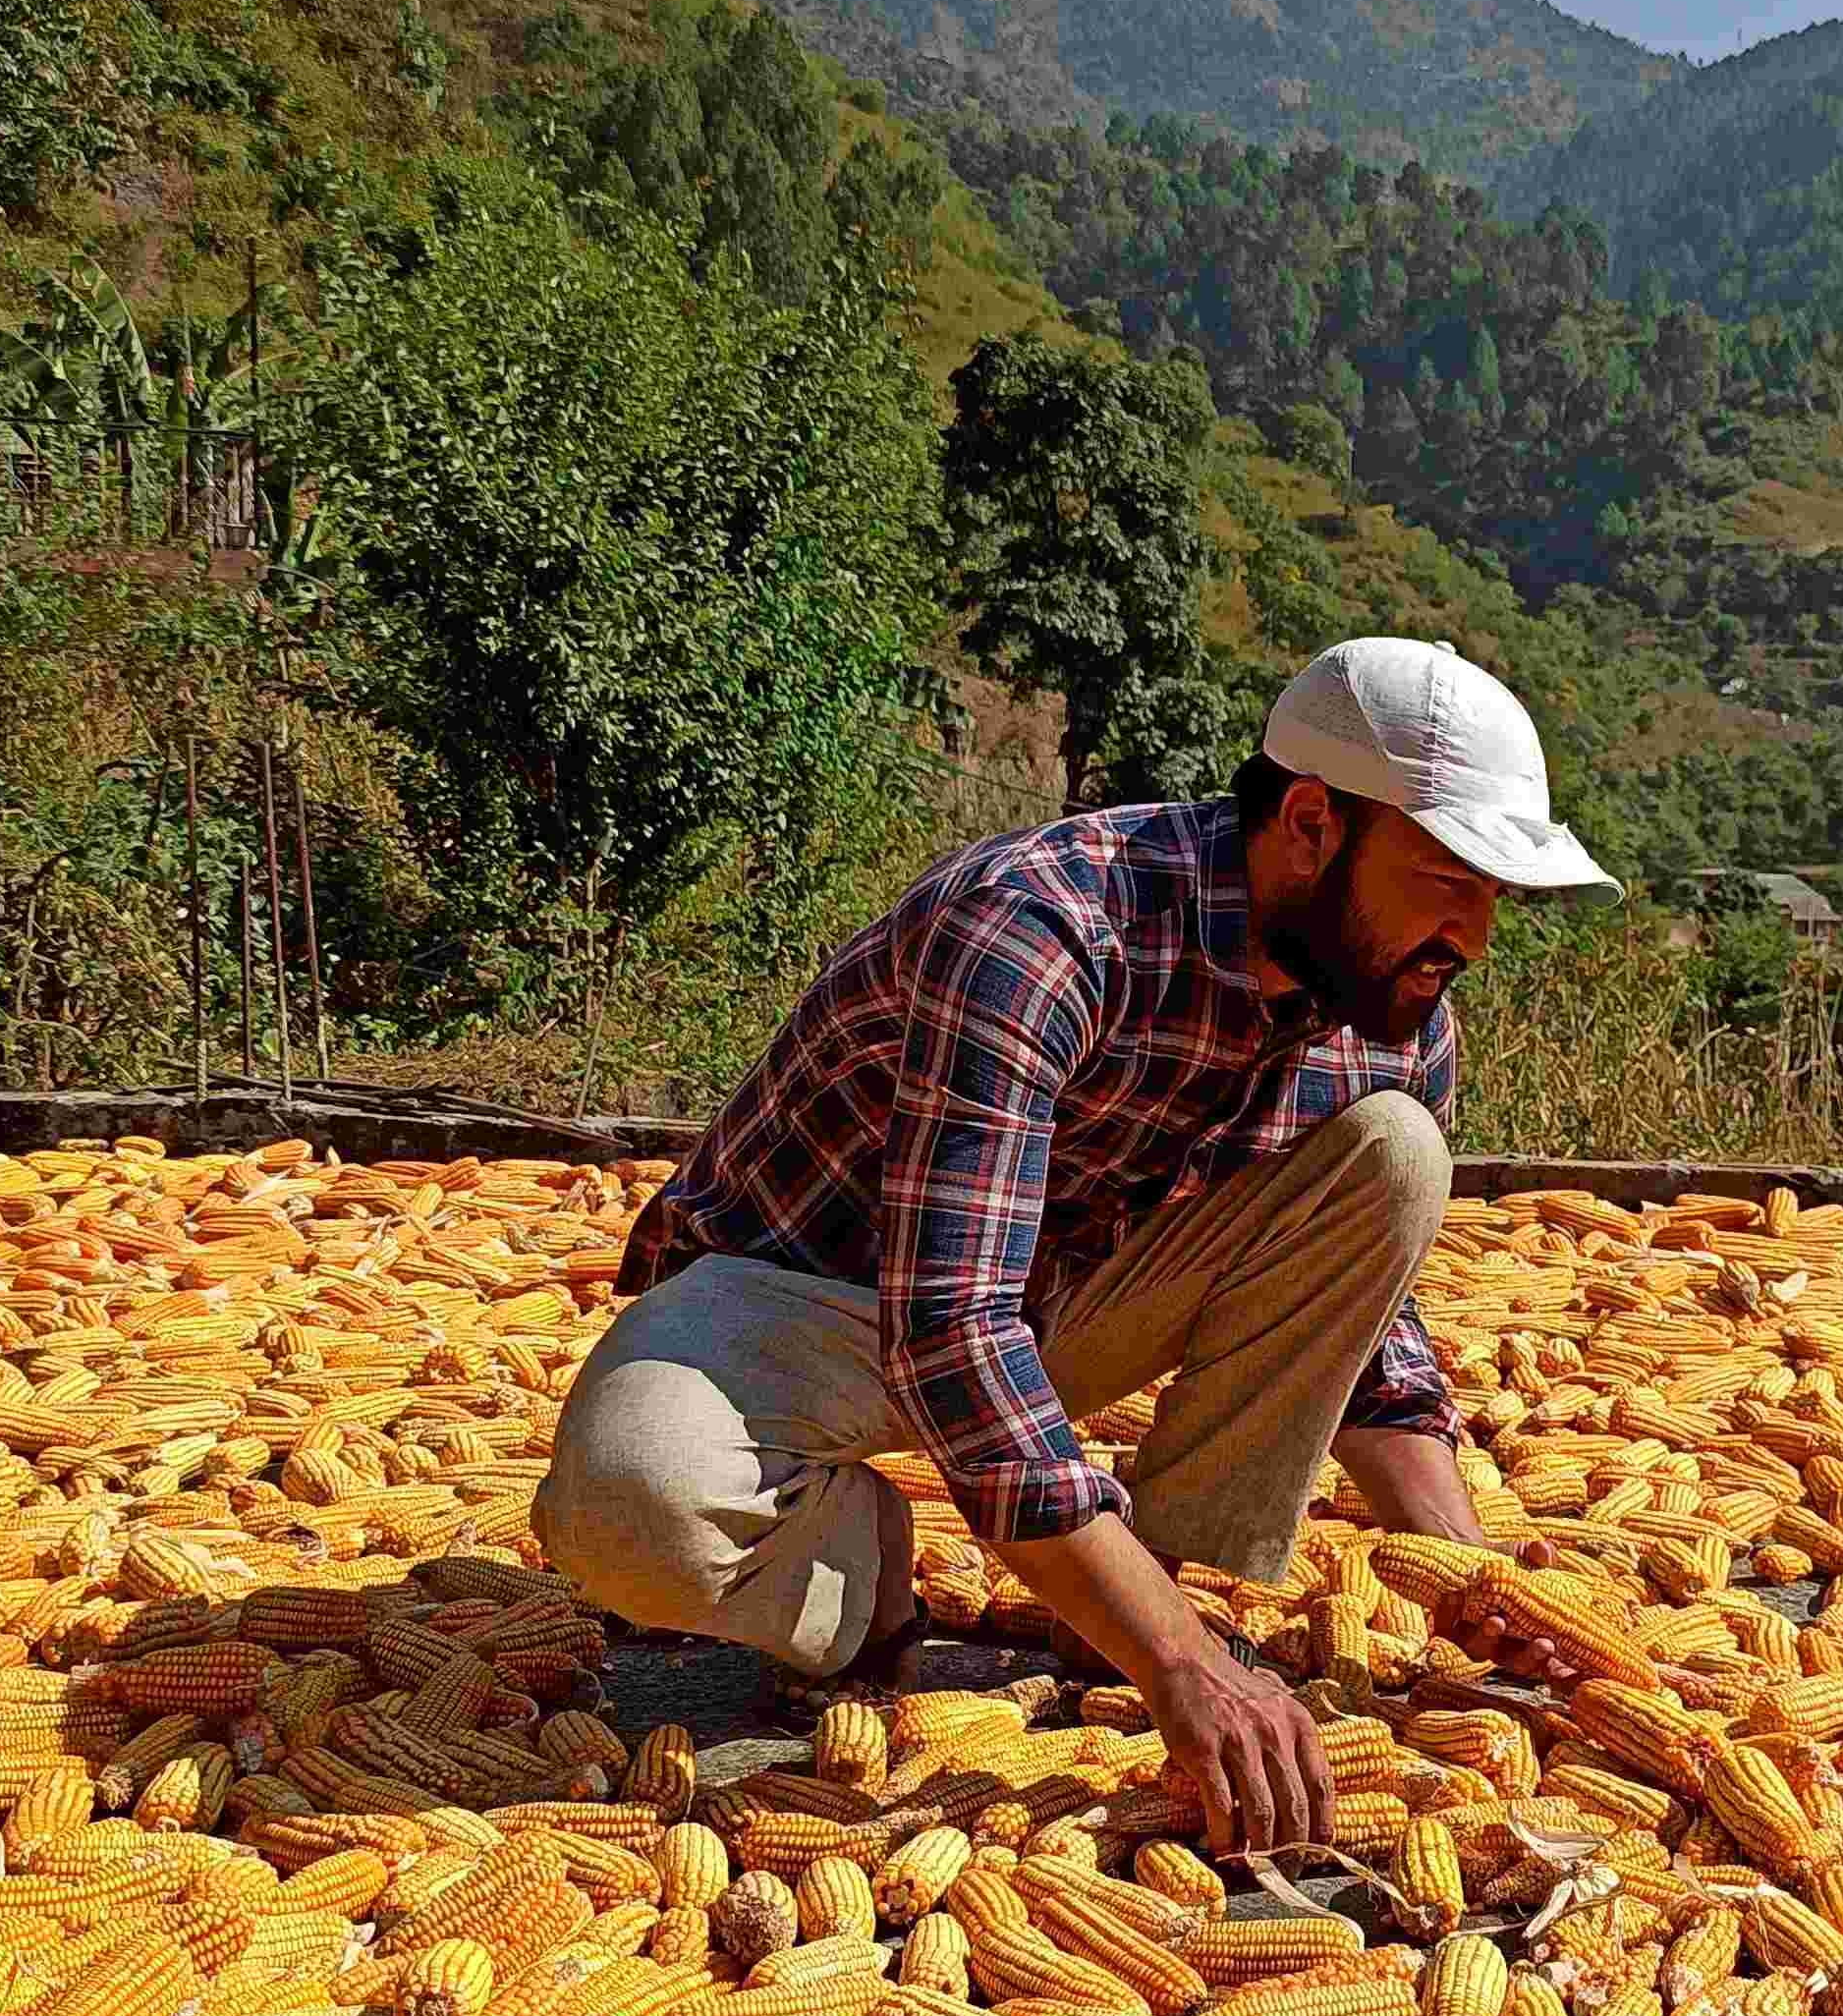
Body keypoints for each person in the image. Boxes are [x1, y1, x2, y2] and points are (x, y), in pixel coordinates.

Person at [535, 638, 1619, 1852]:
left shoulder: (1395, 1005)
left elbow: (1356, 1313)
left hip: (1060, 1298)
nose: (1470, 932)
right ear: (1311, 821)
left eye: (1492, 895)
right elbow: (949, 1328)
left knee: (1396, 1151)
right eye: (1446, 879)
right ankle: (886, 1585)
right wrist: (1174, 1663)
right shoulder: (1043, 927)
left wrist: (1470, 1583)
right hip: (811, 1294)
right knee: (635, 1503)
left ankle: (1172, 1579)